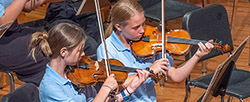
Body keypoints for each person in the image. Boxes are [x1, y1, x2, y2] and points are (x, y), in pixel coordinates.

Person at [97, 0, 214, 101]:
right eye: (135, 27)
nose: (142, 30)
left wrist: (197, 55)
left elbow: (176, 76)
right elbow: (114, 88)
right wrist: (149, 70)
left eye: (143, 24)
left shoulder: (150, 42)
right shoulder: (107, 49)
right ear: (118, 27)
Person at [29, 22, 149, 102]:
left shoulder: (78, 73)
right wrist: (106, 88)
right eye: (79, 50)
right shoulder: (50, 87)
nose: (83, 54)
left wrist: (129, 90)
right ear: (63, 52)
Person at [0, 0, 98, 86]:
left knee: (58, 40)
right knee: (50, 51)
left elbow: (26, 6)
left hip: (12, 31)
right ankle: (51, 91)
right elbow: (2, 22)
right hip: (3, 39)